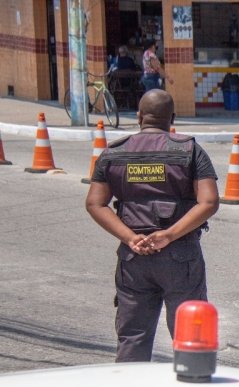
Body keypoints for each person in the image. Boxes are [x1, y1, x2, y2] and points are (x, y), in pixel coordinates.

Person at [85, 89, 219, 363]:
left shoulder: (113, 153)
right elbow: (209, 202)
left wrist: (131, 237)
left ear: (138, 116)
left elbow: (95, 203)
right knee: (190, 336)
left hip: (133, 258)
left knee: (133, 337)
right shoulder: (190, 150)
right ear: (172, 118)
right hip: (180, 256)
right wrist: (168, 235)